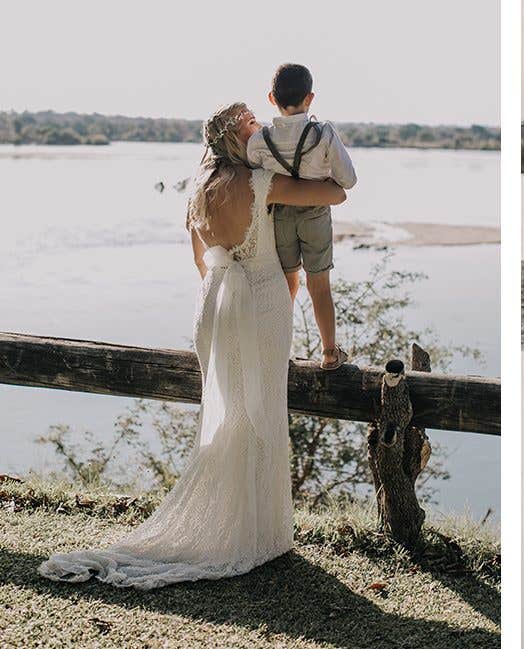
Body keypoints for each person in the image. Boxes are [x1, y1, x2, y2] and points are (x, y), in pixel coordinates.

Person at [37, 103, 347, 590]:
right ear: (232, 139)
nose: (259, 129)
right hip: (262, 304)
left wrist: (227, 294)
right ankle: (260, 534)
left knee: (229, 413)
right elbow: (335, 193)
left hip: (216, 304)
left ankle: (240, 525)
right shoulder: (261, 183)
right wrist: (318, 148)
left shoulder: (196, 191)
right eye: (250, 125)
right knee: (262, 411)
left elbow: (201, 263)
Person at [247, 63, 358, 369]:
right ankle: (329, 353)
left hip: (279, 216)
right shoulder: (323, 134)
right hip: (315, 215)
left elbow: (255, 178)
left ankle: (278, 351)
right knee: (319, 284)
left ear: (272, 98)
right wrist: (320, 184)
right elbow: (348, 180)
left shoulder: (258, 141)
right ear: (310, 98)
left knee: (286, 284)